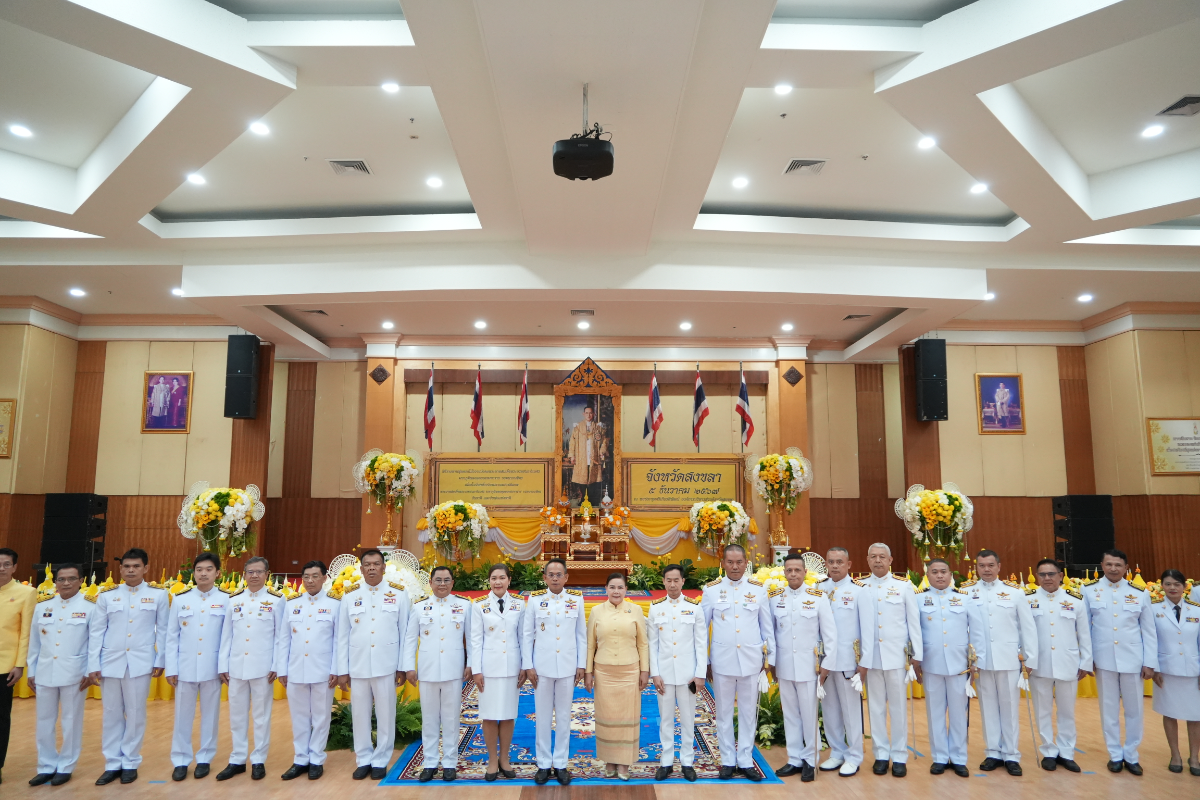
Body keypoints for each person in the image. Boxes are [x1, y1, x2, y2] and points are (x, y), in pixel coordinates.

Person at [88, 548, 169, 785]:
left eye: (136, 566)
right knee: (111, 714)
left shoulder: (158, 595)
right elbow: (97, 632)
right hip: (110, 662)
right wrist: (93, 663)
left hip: (140, 662)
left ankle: (131, 762)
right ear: (120, 569)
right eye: (126, 566)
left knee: (135, 714)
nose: (131, 570)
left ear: (146, 568)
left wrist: (160, 659)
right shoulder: (106, 595)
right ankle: (112, 763)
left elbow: (163, 630)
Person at [961, 549, 1037, 776]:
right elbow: (963, 628)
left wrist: (1029, 657)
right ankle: (993, 752)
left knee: (1010, 708)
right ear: (976, 567)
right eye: (982, 565)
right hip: (981, 661)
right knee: (988, 708)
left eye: (990, 565)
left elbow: (1027, 627)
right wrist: (968, 658)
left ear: (999, 566)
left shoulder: (1014, 593)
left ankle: (1012, 755)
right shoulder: (966, 593)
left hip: (1009, 659)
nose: (986, 569)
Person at [702, 544, 774, 781]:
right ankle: (727, 761)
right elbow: (702, 629)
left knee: (747, 713)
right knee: (722, 713)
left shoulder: (759, 590)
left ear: (746, 563)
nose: (734, 567)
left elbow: (767, 628)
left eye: (739, 562)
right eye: (730, 562)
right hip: (722, 662)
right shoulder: (711, 590)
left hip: (751, 661)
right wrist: (705, 661)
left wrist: (769, 658)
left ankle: (744, 760)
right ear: (722, 563)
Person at [336, 549, 410, 781]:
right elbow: (342, 635)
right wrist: (342, 670)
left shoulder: (398, 594)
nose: (371, 568)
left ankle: (380, 760)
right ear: (361, 569)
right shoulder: (350, 595)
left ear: (383, 568)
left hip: (386, 664)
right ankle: (364, 758)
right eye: (366, 564)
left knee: (386, 713)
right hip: (358, 665)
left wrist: (402, 666)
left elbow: (405, 632)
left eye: (375, 564)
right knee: (359, 714)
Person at [1082, 548, 1156, 775]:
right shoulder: (1089, 591)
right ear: (1102, 566)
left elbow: (1149, 630)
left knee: (1134, 710)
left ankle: (1132, 755)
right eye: (1109, 564)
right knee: (1109, 709)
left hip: (1133, 660)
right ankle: (1114, 754)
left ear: (1126, 568)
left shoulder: (1140, 592)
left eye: (1118, 565)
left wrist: (1149, 661)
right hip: (1103, 660)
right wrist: (1087, 660)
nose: (1113, 568)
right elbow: (1084, 628)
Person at [216, 556, 287, 781]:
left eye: (259, 571)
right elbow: (226, 635)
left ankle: (258, 759)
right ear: (244, 575)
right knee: (236, 716)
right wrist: (222, 664)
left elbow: (280, 637)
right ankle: (237, 759)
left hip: (263, 667)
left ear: (267, 574)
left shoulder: (277, 600)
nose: (254, 575)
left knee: (261, 716)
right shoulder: (234, 599)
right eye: (250, 572)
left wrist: (276, 664)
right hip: (236, 667)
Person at [26, 564, 94, 787]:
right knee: (44, 722)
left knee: (71, 721)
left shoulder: (89, 607)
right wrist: (32, 670)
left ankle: (65, 766)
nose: (66, 583)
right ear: (55, 582)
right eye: (62, 579)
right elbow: (34, 643)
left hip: (75, 674)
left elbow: (94, 643)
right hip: (45, 672)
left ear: (81, 580)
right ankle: (46, 765)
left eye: (71, 579)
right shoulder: (42, 607)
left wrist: (89, 671)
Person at [914, 558, 983, 778]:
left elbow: (977, 632)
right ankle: (940, 758)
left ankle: (959, 758)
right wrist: (915, 660)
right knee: (934, 714)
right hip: (931, 664)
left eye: (943, 571)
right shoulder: (918, 599)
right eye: (934, 572)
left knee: (958, 714)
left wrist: (975, 662)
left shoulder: (964, 599)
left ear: (951, 573)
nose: (940, 576)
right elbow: (914, 633)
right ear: (928, 574)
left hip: (959, 665)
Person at [857, 542, 921, 777]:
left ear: (891, 560)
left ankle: (900, 755)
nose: (878, 561)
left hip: (896, 657)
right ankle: (881, 754)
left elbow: (913, 623)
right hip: (870, 658)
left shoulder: (903, 586)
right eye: (873, 556)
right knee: (875, 708)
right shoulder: (860, 586)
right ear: (867, 560)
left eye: (882, 557)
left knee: (898, 708)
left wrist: (917, 655)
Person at [403, 566, 472, 782]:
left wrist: (470, 664)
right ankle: (430, 762)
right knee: (430, 718)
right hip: (428, 669)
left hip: (453, 670)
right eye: (438, 580)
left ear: (453, 583)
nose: (442, 584)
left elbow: (471, 639)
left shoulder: (464, 606)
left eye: (446, 580)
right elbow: (410, 640)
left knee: (451, 718)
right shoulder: (419, 608)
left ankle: (450, 762)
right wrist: (409, 667)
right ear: (431, 583)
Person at [771, 554, 836, 783]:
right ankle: (794, 758)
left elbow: (830, 635)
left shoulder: (818, 597)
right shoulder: (775, 598)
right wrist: (771, 663)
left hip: (810, 667)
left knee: (809, 715)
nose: (793, 574)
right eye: (789, 570)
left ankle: (810, 759)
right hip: (785, 666)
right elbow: (771, 634)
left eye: (797, 570)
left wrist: (826, 666)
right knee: (790, 715)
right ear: (784, 572)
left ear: (805, 572)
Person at [521, 558, 585, 785]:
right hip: (542, 668)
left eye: (560, 574)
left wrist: (581, 664)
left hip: (567, 666)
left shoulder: (576, 600)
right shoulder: (536, 600)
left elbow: (581, 634)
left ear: (567, 577)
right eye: (551, 574)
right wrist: (528, 665)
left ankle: (560, 764)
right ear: (545, 577)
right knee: (543, 717)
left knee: (565, 717)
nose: (555, 578)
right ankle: (543, 764)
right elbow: (527, 635)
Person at [165, 552, 228, 781]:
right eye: (199, 569)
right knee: (182, 715)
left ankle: (204, 759)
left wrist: (224, 666)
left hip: (213, 668)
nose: (203, 573)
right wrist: (171, 667)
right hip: (185, 667)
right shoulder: (181, 599)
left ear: (218, 573)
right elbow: (172, 637)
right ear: (193, 572)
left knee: (210, 716)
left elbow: (227, 637)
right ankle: (181, 760)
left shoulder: (226, 599)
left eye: (209, 569)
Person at [1026, 558, 1091, 773]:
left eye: (1051, 574)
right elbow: (1021, 632)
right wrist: (1024, 659)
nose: (1047, 578)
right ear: (1037, 577)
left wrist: (1086, 662)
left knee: (1067, 711)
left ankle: (1067, 752)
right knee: (1042, 710)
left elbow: (1084, 634)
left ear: (1061, 576)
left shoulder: (1076, 600)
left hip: (1068, 662)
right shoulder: (1028, 600)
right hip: (1038, 665)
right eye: (1042, 574)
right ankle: (1048, 751)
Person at [279, 560, 340, 781]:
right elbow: (283, 639)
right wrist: (281, 669)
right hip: (295, 670)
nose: (310, 580)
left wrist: (336, 668)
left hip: (323, 670)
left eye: (315, 576)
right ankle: (300, 759)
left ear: (325, 578)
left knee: (321, 717)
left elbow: (338, 641)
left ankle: (316, 759)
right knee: (299, 717)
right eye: (306, 576)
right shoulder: (291, 603)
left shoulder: (335, 604)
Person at [584, 572, 649, 780]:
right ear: (605, 589)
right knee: (607, 717)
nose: (616, 591)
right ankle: (609, 761)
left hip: (630, 670)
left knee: (627, 717)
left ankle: (624, 764)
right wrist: (588, 672)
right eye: (612, 587)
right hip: (604, 671)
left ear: (626, 590)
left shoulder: (636, 610)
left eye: (620, 587)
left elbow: (643, 643)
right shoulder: (595, 611)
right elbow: (590, 645)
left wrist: (645, 670)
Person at [648, 563, 706, 782]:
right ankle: (666, 762)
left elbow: (701, 644)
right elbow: (652, 644)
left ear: (683, 581)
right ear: (663, 581)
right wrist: (655, 673)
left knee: (688, 719)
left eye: (676, 580)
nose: (672, 584)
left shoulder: (694, 607)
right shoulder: (656, 608)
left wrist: (700, 673)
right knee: (666, 719)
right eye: (668, 580)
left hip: (687, 675)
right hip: (664, 674)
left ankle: (687, 762)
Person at [815, 547, 869, 776]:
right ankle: (837, 752)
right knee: (830, 710)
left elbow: (866, 629)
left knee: (850, 711)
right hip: (825, 660)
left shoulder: (859, 591)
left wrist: (864, 661)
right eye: (831, 561)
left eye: (839, 561)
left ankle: (854, 755)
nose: (835, 565)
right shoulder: (819, 589)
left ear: (849, 564)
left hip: (849, 660)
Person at [468, 563, 524, 782]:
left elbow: (523, 637)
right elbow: (475, 640)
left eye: (502, 578)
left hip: (512, 668)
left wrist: (524, 666)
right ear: (489, 581)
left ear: (509, 580)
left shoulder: (520, 604)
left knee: (509, 714)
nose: (498, 582)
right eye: (494, 578)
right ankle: (492, 760)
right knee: (489, 715)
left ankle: (504, 759)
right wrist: (476, 670)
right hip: (488, 669)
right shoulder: (479, 605)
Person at [1150, 569, 1200, 775]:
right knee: (1170, 714)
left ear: (1184, 587)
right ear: (1162, 585)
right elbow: (1150, 640)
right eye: (1168, 584)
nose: (1172, 588)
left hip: (1193, 670)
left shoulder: (1197, 610)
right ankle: (1175, 755)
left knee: (1195, 716)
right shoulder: (1153, 610)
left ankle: (1195, 757)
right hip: (1166, 670)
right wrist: (1154, 668)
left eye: (1176, 584)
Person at [0, 546, 36, 786]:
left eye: (6, 564)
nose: (1, 568)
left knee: (1, 718)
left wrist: (20, 664)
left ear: (14, 567)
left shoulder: (25, 593)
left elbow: (26, 633)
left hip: (5, 665)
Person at [566, 404, 606, 504]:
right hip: (581, 457)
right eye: (587, 413)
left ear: (594, 414)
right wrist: (572, 455)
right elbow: (572, 442)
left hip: (594, 457)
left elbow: (604, 441)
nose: (588, 415)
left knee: (593, 478)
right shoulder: (578, 427)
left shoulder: (598, 428)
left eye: (591, 413)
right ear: (583, 414)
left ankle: (592, 499)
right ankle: (584, 498)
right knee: (582, 479)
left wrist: (602, 452)